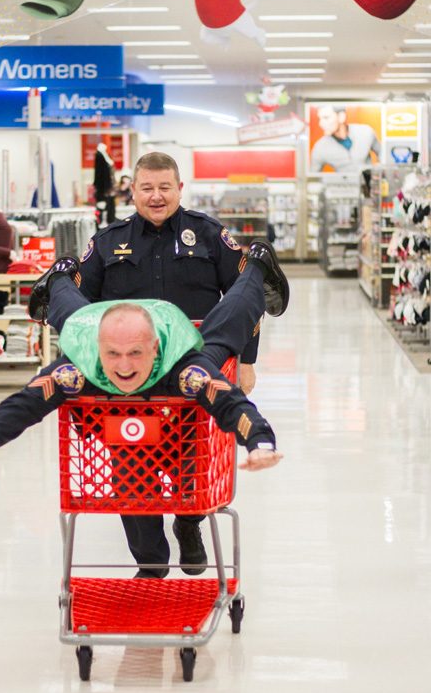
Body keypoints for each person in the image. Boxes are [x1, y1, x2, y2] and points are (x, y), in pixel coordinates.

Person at [29, 151, 290, 578]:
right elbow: (86, 312)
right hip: (125, 380)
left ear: (179, 189)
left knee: (192, 461)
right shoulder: (108, 241)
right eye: (146, 188)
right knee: (131, 472)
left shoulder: (208, 235)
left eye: (164, 187)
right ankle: (150, 562)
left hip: (193, 372)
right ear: (132, 190)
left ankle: (189, 526)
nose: (156, 196)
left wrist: (247, 360)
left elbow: (245, 299)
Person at [0, 272, 282, 578]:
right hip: (126, 433)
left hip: (180, 432)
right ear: (98, 349)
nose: (123, 366)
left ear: (155, 347)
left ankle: (255, 268)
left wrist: (260, 442)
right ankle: (59, 277)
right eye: (112, 354)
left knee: (226, 326)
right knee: (129, 471)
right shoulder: (80, 365)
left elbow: (230, 403)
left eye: (135, 353)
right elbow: (26, 403)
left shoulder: (185, 367)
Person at [311, 105, 381, 173]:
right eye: (320, 119)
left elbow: (383, 153)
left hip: (367, 183)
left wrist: (378, 171)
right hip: (342, 184)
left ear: (341, 117)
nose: (320, 124)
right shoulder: (320, 147)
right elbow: (313, 177)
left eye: (326, 118)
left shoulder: (366, 131)